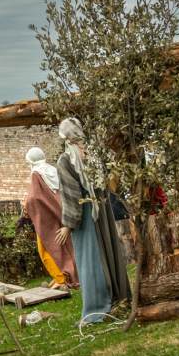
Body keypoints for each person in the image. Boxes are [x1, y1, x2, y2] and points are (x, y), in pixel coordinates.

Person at [54, 118, 126, 326]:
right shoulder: (94, 155)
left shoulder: (66, 160)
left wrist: (68, 224)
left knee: (90, 259)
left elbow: (71, 194)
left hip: (86, 213)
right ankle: (117, 298)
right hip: (102, 211)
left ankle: (95, 310)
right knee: (107, 252)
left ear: (66, 137)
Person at [23, 147, 78, 289]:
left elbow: (35, 197)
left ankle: (61, 279)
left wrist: (27, 204)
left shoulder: (36, 173)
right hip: (58, 212)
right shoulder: (51, 169)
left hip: (46, 218)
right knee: (62, 247)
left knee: (46, 250)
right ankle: (63, 276)